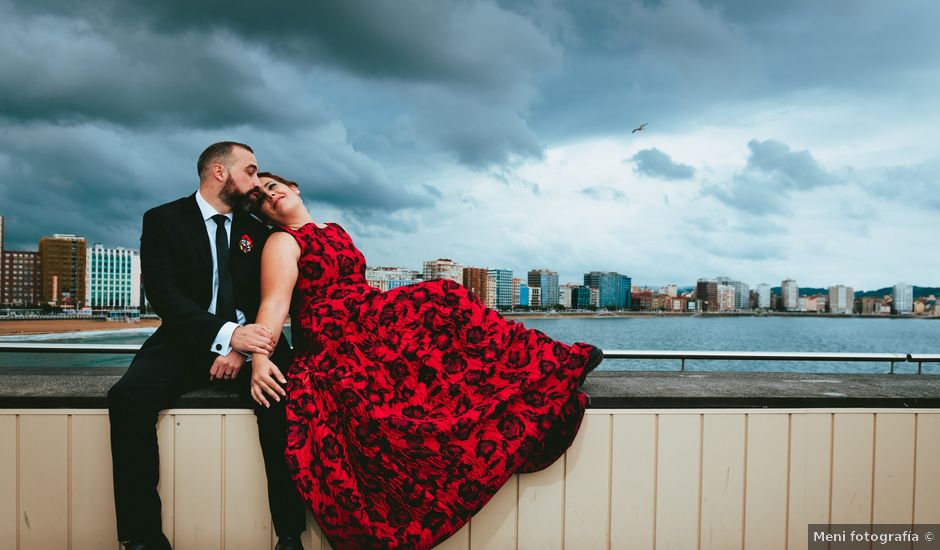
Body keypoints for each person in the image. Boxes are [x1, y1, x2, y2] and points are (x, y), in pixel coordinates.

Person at [247, 172, 603, 549]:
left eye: (273, 187)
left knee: (446, 299)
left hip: (366, 316)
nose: (269, 196)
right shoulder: (282, 241)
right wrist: (259, 355)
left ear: (295, 188)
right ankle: (551, 364)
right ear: (266, 217)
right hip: (334, 337)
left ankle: (549, 363)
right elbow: (274, 302)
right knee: (442, 297)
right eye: (260, 199)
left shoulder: (334, 229)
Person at [107, 143, 306, 550]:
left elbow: (270, 297)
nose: (257, 183)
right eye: (250, 172)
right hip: (185, 340)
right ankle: (142, 537)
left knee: (285, 398)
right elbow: (166, 298)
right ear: (219, 172)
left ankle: (289, 534)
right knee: (127, 399)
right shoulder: (164, 220)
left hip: (255, 343)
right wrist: (227, 335)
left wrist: (243, 347)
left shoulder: (259, 228)